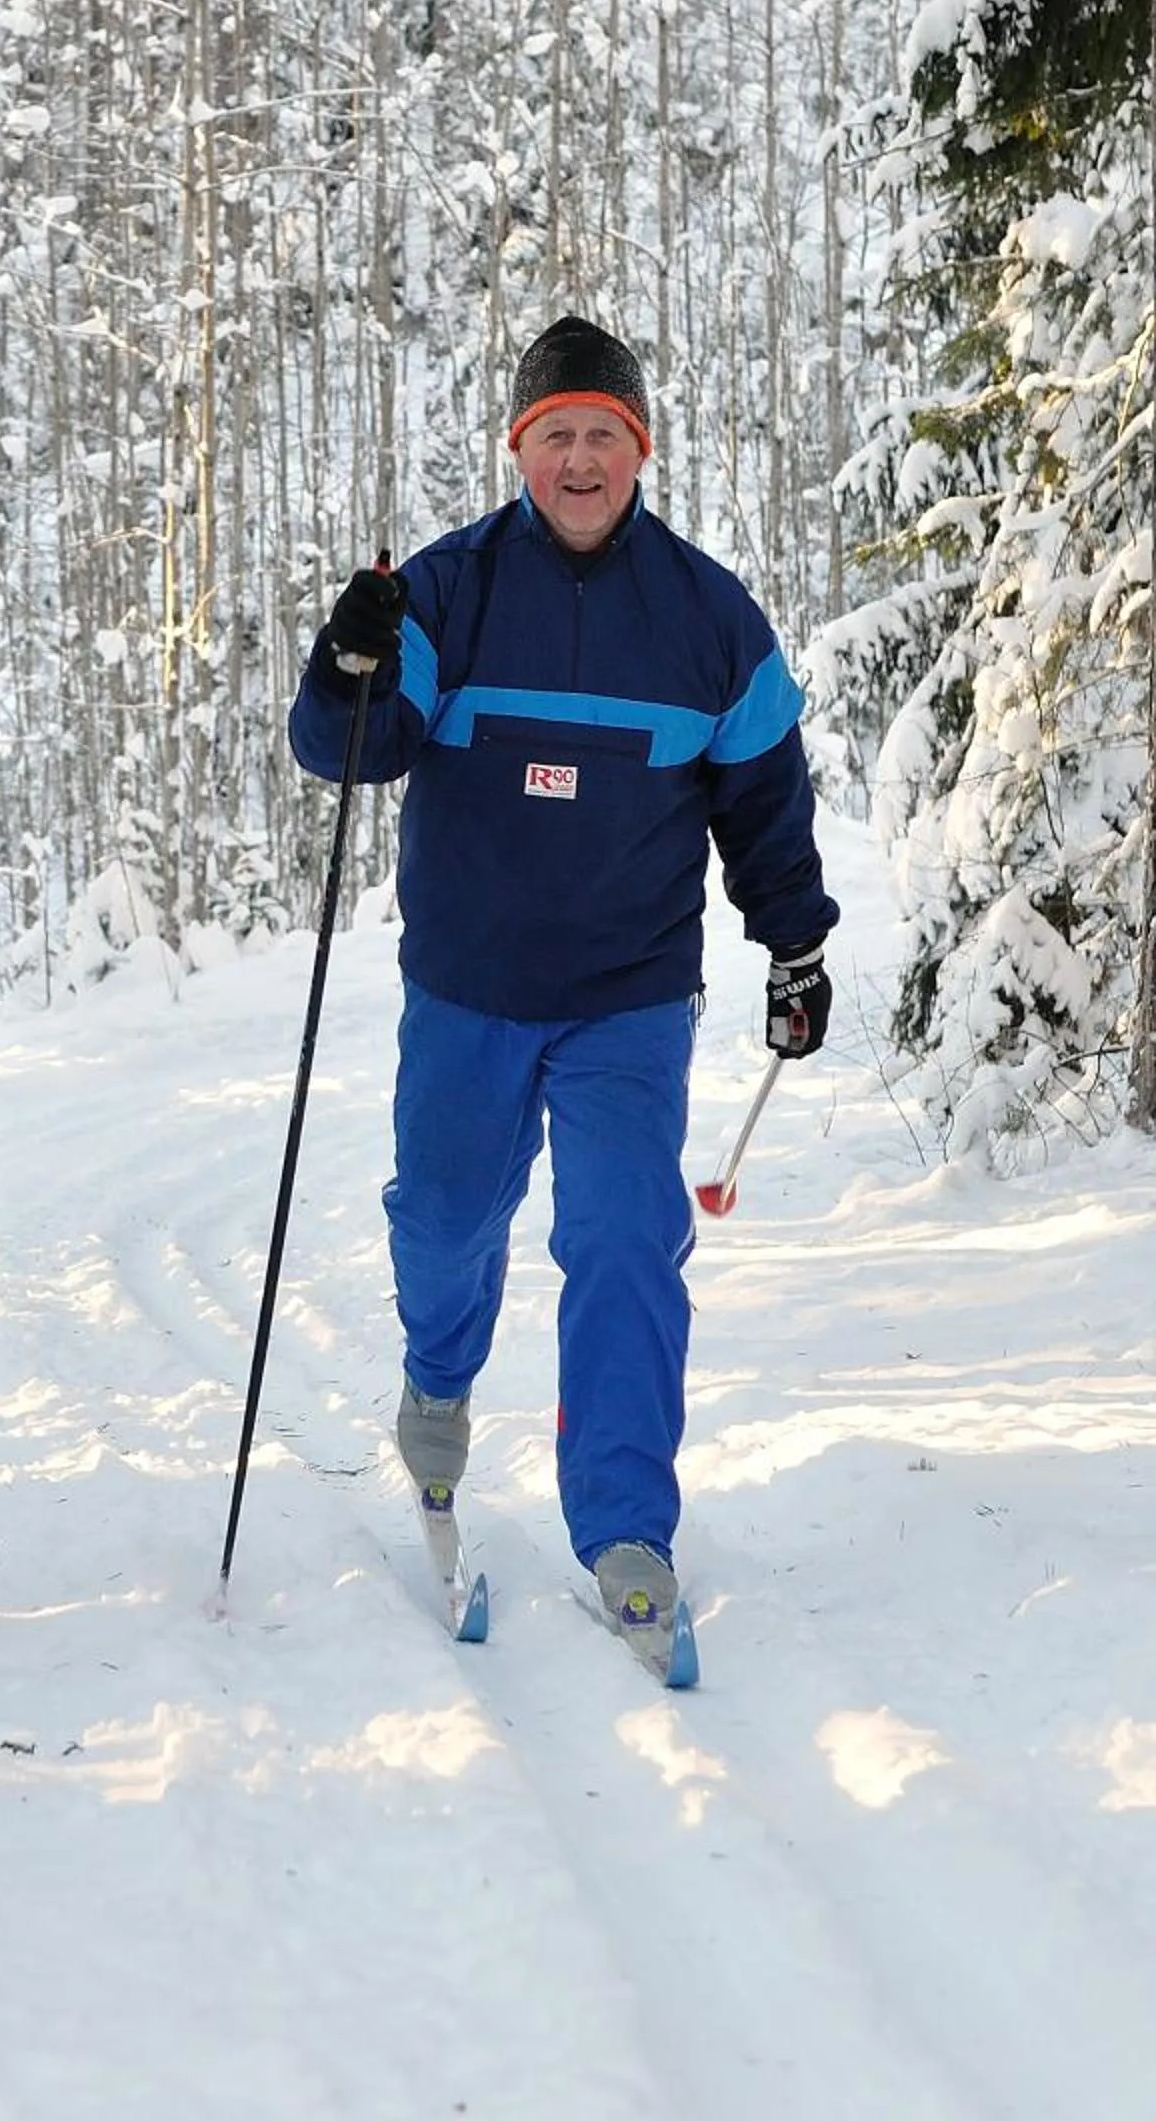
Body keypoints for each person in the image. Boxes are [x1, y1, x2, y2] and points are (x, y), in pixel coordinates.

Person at [288, 316, 836, 1659]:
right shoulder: (447, 591)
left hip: (627, 998)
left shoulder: (709, 620)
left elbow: (765, 804)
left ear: (638, 451)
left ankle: (626, 1524)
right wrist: (346, 661)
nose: (579, 461)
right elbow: (347, 750)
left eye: (603, 435)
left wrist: (795, 943)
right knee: (446, 1219)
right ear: (519, 451)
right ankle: (436, 1389)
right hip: (468, 987)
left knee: (625, 1241)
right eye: (555, 437)